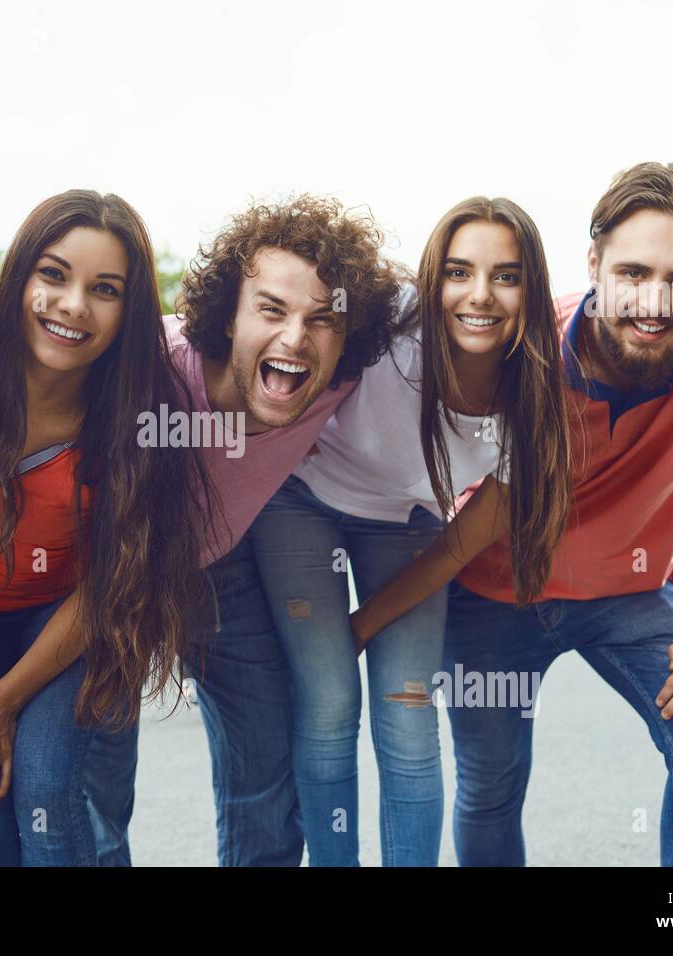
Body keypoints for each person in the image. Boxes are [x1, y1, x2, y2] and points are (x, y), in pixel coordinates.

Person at [0, 196, 408, 865]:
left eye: (321, 319)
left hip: (214, 567)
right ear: (229, 313)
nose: (296, 337)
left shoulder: (338, 371)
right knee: (88, 784)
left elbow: (445, 307)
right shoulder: (152, 376)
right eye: (272, 310)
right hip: (108, 573)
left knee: (262, 756)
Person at [448, 161, 673, 866]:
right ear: (594, 263)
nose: (656, 302)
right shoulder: (523, 343)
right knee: (489, 787)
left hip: (629, 591)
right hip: (491, 592)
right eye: (634, 272)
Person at [0, 190, 211, 866]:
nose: (72, 305)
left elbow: (108, 587)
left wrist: (3, 701)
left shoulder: (139, 413)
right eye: (53, 274)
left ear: (130, 311)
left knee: (44, 782)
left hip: (66, 611)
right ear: (22, 273)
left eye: (105, 290)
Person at [248, 197, 574, 865]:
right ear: (434, 279)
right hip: (301, 499)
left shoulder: (533, 404)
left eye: (506, 276)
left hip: (410, 522)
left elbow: (455, 548)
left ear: (530, 290)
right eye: (458, 272)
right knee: (331, 701)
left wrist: (363, 626)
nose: (479, 295)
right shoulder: (390, 317)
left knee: (407, 713)